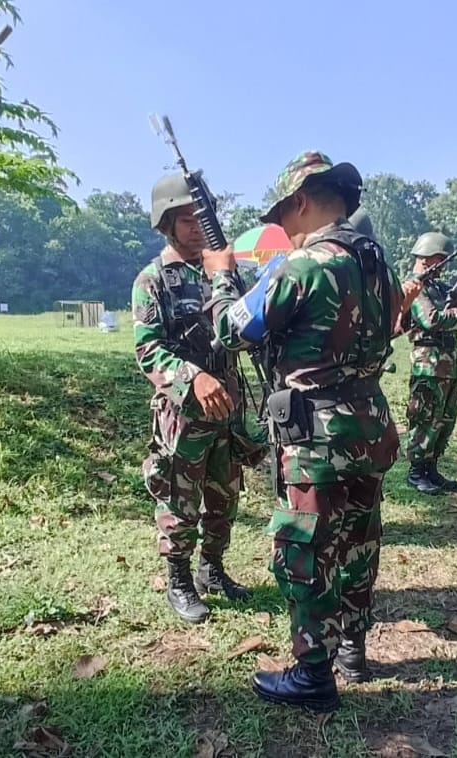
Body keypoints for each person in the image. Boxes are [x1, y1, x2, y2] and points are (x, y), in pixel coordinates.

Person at [203, 151, 417, 711]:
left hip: (316, 435)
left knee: (304, 545)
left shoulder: (306, 265)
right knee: (358, 539)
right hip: (368, 425)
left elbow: (234, 329)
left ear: (300, 202)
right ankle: (352, 648)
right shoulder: (377, 264)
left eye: (283, 214)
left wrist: (222, 277)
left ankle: (312, 673)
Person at [131, 173, 258, 626]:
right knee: (180, 499)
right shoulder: (153, 280)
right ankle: (179, 578)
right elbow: (147, 348)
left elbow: (241, 326)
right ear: (165, 223)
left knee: (225, 497)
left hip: (228, 410)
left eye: (200, 218)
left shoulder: (219, 271)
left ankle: (213, 568)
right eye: (186, 219)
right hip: (183, 415)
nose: (197, 227)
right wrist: (193, 379)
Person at [403, 232, 457, 493]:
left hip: (449, 363)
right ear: (426, 258)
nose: (443, 266)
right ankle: (416, 471)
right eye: (439, 260)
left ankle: (431, 468)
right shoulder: (416, 286)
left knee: (445, 417)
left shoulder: (439, 287)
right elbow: (430, 320)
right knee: (426, 417)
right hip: (429, 362)